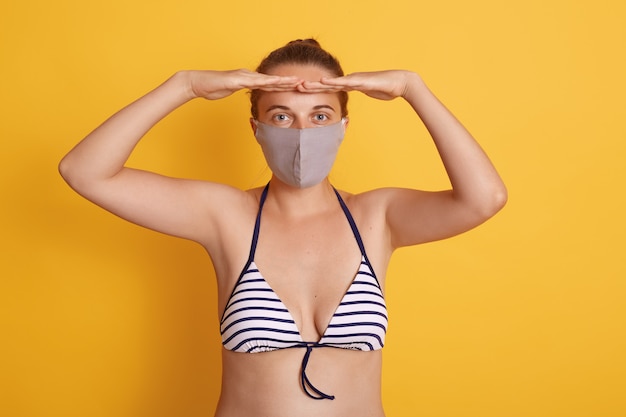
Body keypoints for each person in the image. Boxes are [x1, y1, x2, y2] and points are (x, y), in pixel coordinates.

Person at [59, 39, 507, 417]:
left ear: (343, 126)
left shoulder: (377, 217)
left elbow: (484, 198)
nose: (300, 131)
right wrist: (185, 85)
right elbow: (85, 171)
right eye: (281, 116)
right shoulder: (225, 216)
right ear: (255, 127)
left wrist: (414, 89)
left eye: (319, 115)